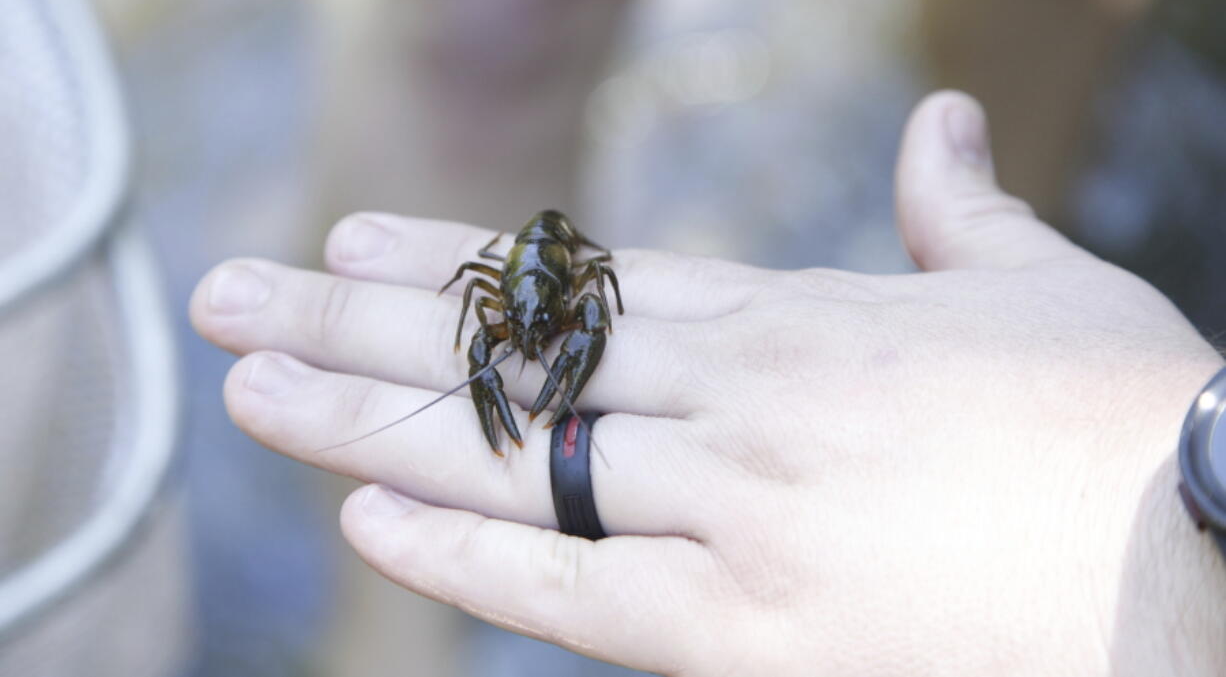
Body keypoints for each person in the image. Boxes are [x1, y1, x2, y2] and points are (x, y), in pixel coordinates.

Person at [191, 91, 1225, 673]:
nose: (532, 330)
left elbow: (591, 297)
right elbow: (485, 307)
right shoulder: (495, 294)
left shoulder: (580, 285)